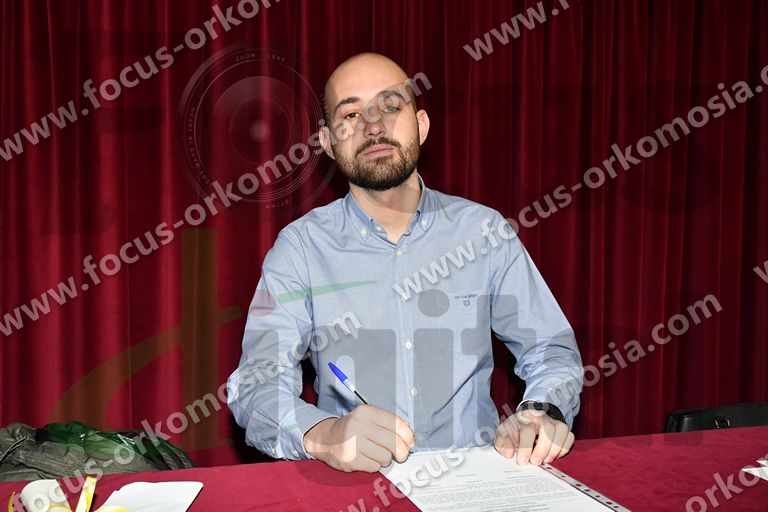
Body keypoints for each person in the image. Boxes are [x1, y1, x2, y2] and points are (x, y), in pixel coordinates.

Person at [227, 52, 583, 473]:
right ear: (327, 142)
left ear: (422, 125)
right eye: (351, 114)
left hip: (476, 481)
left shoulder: (485, 233)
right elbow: (255, 384)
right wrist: (325, 434)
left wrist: (541, 410)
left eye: (391, 106)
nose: (374, 126)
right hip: (354, 488)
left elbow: (551, 349)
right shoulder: (300, 250)